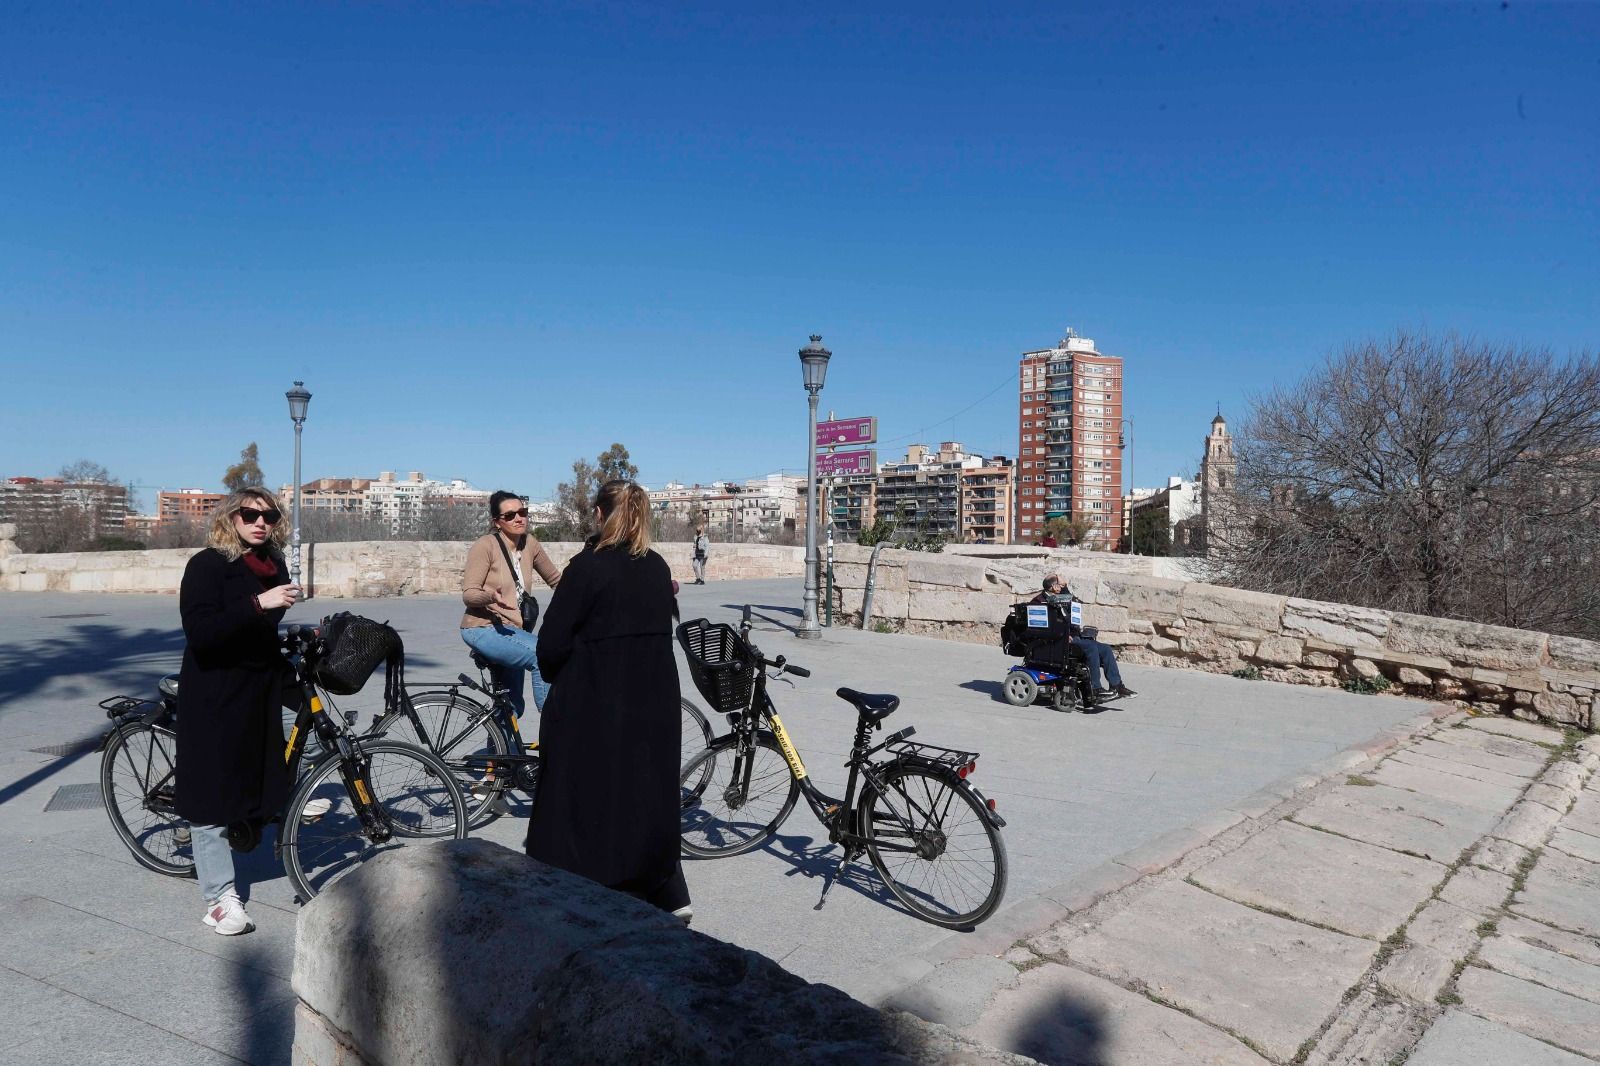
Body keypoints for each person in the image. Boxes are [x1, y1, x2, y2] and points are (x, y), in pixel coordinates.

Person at [525, 479, 691, 920]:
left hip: (593, 697)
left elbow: (551, 645)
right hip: (652, 698)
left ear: (600, 514)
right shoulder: (656, 567)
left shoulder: (587, 568)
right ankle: (661, 886)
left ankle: (585, 889)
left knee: (584, 793)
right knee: (642, 790)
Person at [175, 489, 300, 935]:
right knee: (212, 796)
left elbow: (260, 631)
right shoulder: (207, 565)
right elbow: (202, 631)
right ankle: (219, 900)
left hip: (259, 683)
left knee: (293, 744)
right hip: (215, 691)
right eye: (250, 514)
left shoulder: (272, 564)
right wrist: (257, 604)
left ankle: (288, 800)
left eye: (269, 515)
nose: (260, 522)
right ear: (231, 518)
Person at [461, 492, 561, 719]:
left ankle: (496, 754)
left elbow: (556, 580)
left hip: (512, 631)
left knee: (512, 705)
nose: (519, 518)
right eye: (510, 515)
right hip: (482, 628)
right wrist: (490, 597)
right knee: (541, 654)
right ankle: (554, 730)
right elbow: (469, 595)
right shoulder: (485, 545)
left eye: (523, 512)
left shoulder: (530, 544)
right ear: (497, 521)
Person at [1033, 574, 1137, 700]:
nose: (1061, 588)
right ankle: (1095, 688)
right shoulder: (1039, 602)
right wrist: (1063, 636)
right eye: (1060, 585)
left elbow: (1073, 600)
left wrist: (1064, 585)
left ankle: (1116, 685)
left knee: (1106, 649)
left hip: (1074, 636)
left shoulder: (1061, 598)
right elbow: (1042, 627)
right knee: (1091, 647)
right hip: (1061, 640)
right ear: (1053, 586)